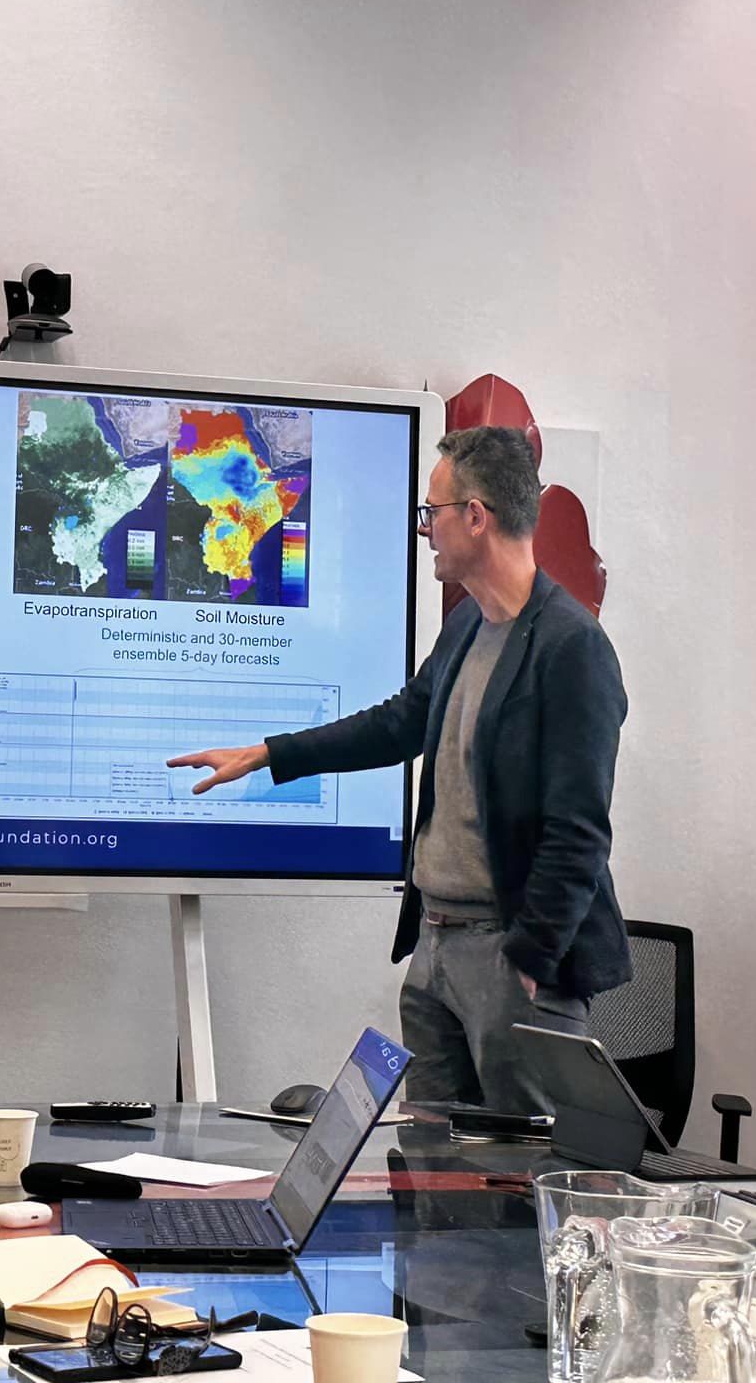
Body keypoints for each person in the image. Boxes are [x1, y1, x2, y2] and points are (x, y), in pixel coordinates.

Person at [169, 426, 630, 1113]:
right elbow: (399, 724)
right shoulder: (468, 626)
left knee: (523, 1164)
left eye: (431, 513)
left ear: (476, 516)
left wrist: (532, 957)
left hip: (510, 955)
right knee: (434, 1159)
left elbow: (580, 829)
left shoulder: (571, 648)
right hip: (436, 945)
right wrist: (269, 753)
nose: (425, 530)